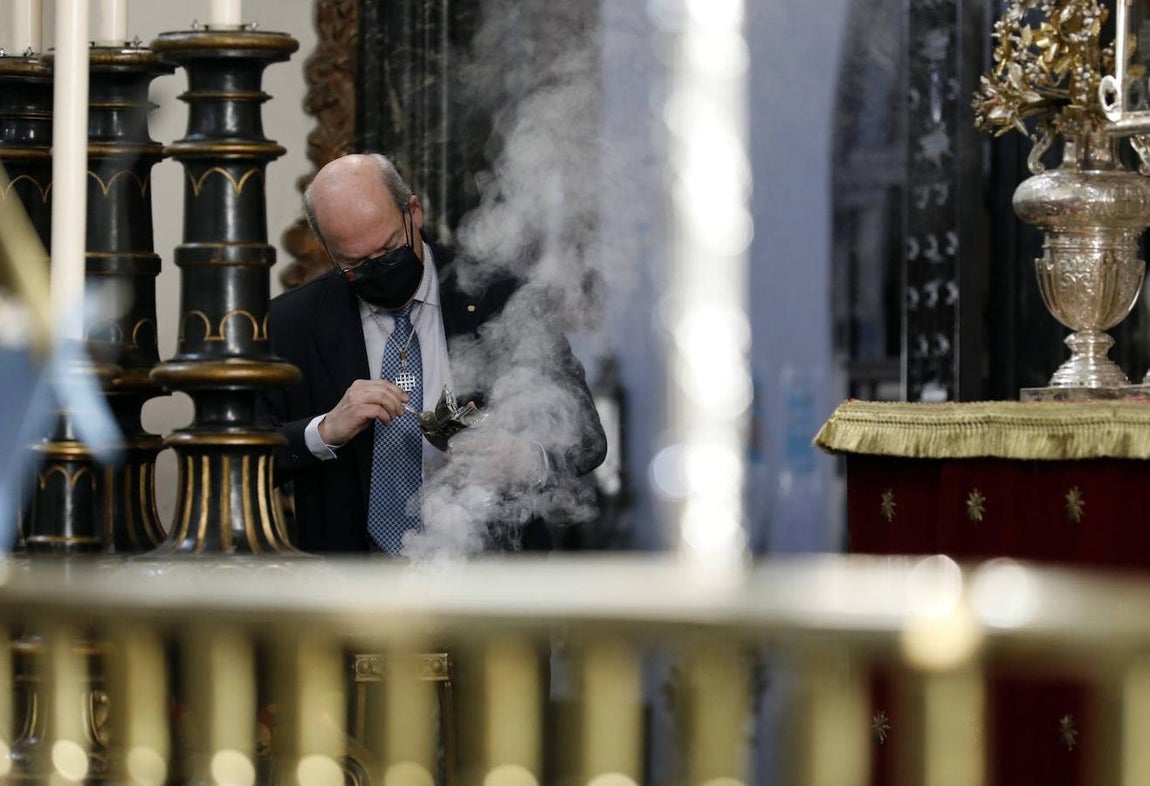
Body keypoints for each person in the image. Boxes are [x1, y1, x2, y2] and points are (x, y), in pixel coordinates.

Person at [258, 153, 607, 554]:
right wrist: (323, 431)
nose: (378, 269)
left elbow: (587, 439)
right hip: (353, 586)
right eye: (355, 264)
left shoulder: (501, 294)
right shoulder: (292, 322)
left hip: (492, 582)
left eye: (388, 250)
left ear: (414, 212)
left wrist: (525, 459)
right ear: (327, 250)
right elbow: (236, 459)